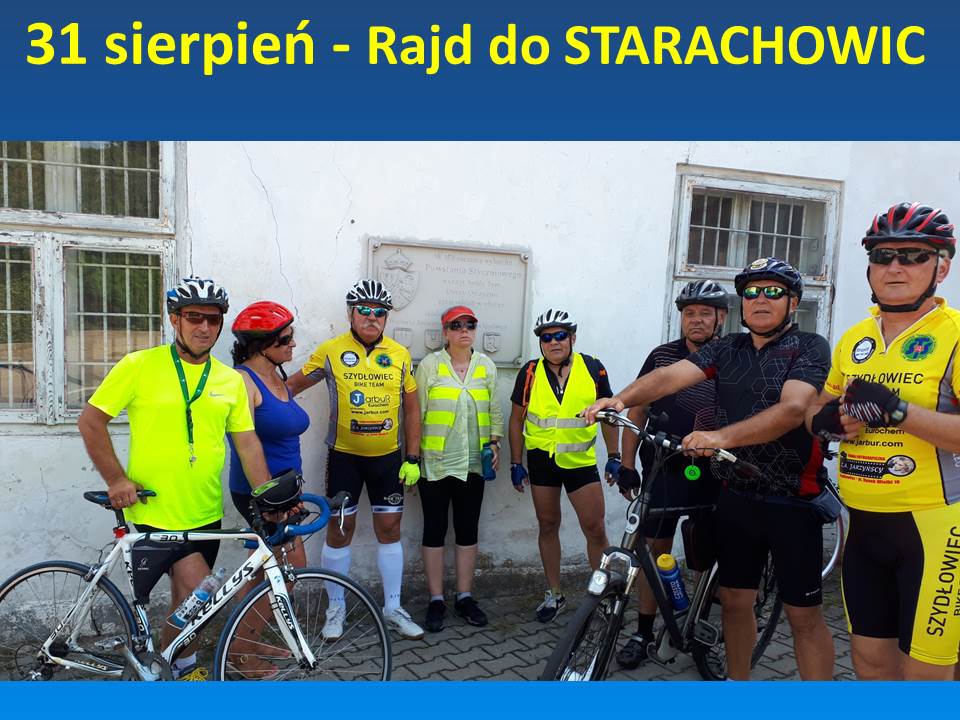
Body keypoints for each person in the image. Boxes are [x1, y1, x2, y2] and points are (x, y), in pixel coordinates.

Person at [585, 258, 836, 681]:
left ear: (792, 303)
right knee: (735, 602)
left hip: (792, 498)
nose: (760, 299)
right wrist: (621, 399)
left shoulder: (809, 346)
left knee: (803, 616)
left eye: (773, 292)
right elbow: (668, 377)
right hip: (736, 496)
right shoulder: (728, 348)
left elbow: (794, 408)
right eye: (751, 292)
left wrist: (720, 438)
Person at [77, 276, 273, 681]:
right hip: (155, 511)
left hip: (205, 512)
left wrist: (269, 496)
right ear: (174, 319)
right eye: (194, 317)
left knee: (187, 604)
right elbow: (91, 421)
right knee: (204, 597)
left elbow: (248, 444)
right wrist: (116, 479)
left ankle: (172, 667)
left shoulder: (230, 380)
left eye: (213, 320)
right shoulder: (139, 366)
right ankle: (192, 669)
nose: (205, 327)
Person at [806, 202, 960, 680]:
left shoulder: (955, 334)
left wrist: (896, 410)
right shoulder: (855, 339)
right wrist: (828, 421)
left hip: (934, 527)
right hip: (864, 525)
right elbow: (817, 409)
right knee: (870, 665)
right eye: (882, 255)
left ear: (942, 267)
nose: (895, 266)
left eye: (913, 255)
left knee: (926, 676)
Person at [287, 279, 425, 640]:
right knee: (339, 530)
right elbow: (290, 387)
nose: (372, 317)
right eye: (364, 310)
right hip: (345, 458)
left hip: (388, 459)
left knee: (390, 529)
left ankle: (392, 607)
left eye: (380, 312)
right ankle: (335, 609)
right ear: (351, 313)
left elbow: (412, 408)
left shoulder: (399, 354)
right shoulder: (331, 351)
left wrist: (413, 456)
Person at [615, 280, 727, 669]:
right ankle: (643, 631)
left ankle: (698, 626)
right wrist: (627, 464)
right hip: (663, 468)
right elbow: (638, 410)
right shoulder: (662, 356)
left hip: (712, 471)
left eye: (704, 313)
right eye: (689, 313)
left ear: (721, 317)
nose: (696, 320)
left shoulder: (732, 356)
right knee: (653, 551)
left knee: (703, 555)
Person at [508, 308, 619, 622]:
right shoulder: (530, 372)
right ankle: (554, 594)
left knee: (595, 529)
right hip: (542, 462)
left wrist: (614, 457)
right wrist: (516, 462)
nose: (553, 342)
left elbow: (609, 415)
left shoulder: (593, 368)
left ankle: (602, 596)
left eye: (560, 336)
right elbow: (516, 420)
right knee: (547, 525)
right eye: (546, 338)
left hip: (580, 462)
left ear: (572, 338)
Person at [415, 305, 504, 631]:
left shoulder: (486, 366)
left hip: (473, 462)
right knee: (434, 528)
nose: (464, 330)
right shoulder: (430, 365)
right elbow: (416, 413)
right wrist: (411, 458)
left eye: (470, 325)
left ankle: (465, 596)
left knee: (467, 529)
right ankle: (436, 599)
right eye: (456, 325)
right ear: (446, 332)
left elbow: (495, 409)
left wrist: (495, 444)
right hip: (435, 462)